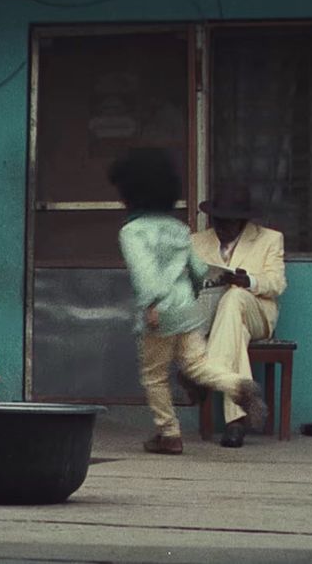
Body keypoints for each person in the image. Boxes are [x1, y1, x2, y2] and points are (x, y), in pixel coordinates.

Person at [108, 148, 265, 455]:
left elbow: (144, 271)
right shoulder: (179, 229)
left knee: (154, 375)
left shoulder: (132, 231)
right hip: (187, 309)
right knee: (197, 364)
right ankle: (237, 385)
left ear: (130, 192)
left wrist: (151, 304)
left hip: (160, 312)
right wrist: (190, 297)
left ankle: (168, 434)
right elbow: (197, 269)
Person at [191, 184, 288, 447]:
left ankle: (207, 373)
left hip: (258, 312)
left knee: (234, 297)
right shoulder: (197, 242)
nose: (221, 227)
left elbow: (277, 284)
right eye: (217, 221)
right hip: (214, 316)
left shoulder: (270, 239)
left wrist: (250, 281)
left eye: (229, 222)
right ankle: (236, 421)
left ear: (243, 221)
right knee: (236, 333)